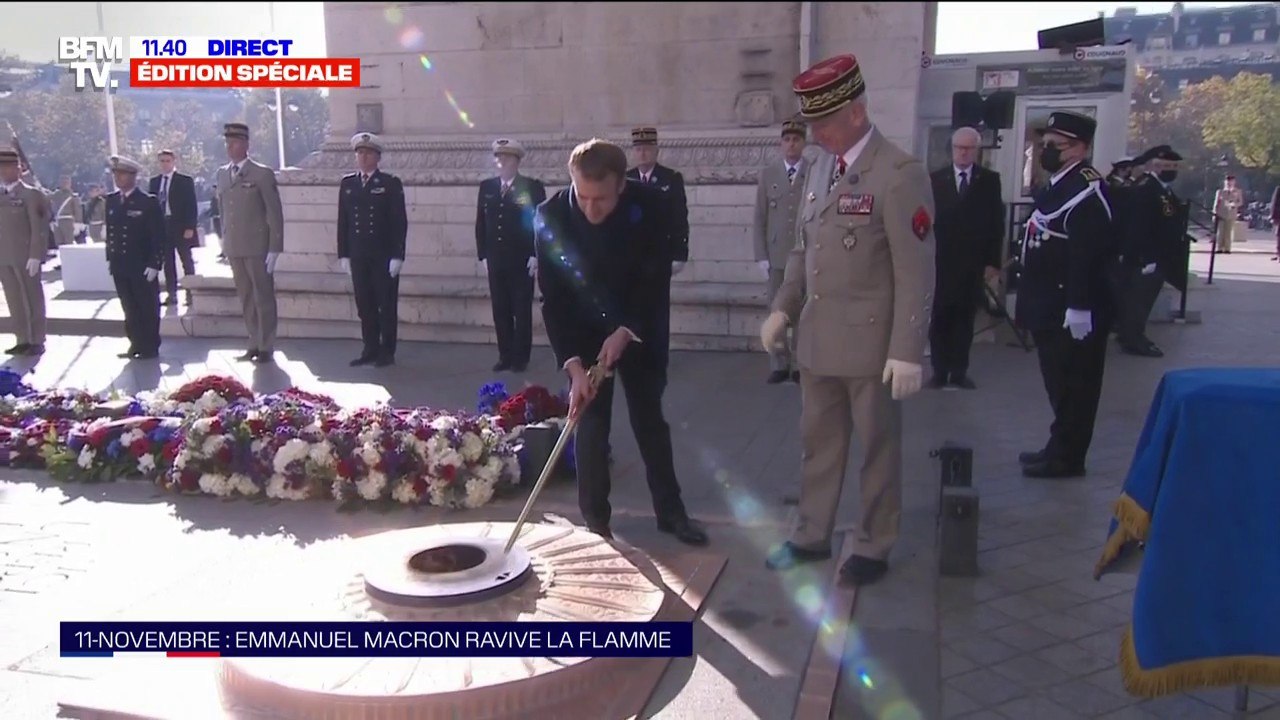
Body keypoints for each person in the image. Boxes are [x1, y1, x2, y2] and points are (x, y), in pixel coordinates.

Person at [759, 53, 935, 586]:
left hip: (871, 349)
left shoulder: (898, 174)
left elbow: (916, 271)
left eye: (825, 124)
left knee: (877, 450)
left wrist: (908, 350)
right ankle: (811, 534)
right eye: (812, 125)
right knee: (819, 445)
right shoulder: (820, 168)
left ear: (856, 112)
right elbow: (802, 249)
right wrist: (783, 307)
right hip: (818, 342)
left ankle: (874, 543)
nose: (816, 135)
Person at [535, 138, 708, 547]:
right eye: (583, 197)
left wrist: (626, 330)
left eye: (602, 199)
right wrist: (574, 366)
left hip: (639, 323)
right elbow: (553, 298)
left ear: (621, 186)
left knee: (649, 418)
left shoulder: (651, 207)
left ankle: (671, 512)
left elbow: (653, 281)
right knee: (590, 422)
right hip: (583, 329)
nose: (591, 209)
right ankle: (596, 523)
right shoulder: (550, 216)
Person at [1015, 111, 1117, 479]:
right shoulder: (1059, 184)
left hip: (1071, 308)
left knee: (1075, 386)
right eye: (1045, 144)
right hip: (1048, 304)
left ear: (1079, 149)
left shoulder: (1087, 190)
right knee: (1058, 383)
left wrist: (1078, 306)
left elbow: (1086, 254)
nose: (1046, 150)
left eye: (1054, 145)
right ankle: (1058, 445)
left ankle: (1068, 457)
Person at [926, 126, 1004, 390]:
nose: (963, 153)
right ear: (952, 149)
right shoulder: (936, 179)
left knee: (964, 318)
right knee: (940, 317)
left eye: (969, 148)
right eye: (959, 148)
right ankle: (939, 371)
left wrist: (992, 262)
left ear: (976, 151)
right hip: (941, 261)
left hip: (972, 262)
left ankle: (959, 371)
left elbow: (996, 222)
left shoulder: (989, 180)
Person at [215, 122, 284, 364]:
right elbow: (223, 210)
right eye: (227, 143)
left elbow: (274, 213)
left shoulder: (261, 174)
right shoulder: (222, 174)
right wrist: (224, 242)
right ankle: (253, 341)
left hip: (257, 246)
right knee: (245, 296)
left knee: (263, 295)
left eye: (234, 142)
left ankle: (266, 344)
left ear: (245, 144)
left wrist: (275, 247)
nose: (230, 147)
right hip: (235, 246)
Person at [475, 138, 546, 373]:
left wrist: (536, 254)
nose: (501, 162)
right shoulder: (487, 187)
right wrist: (483, 254)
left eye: (506, 157)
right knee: (500, 309)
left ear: (517, 161)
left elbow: (540, 223)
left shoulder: (531, 187)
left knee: (521, 310)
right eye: (499, 157)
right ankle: (504, 355)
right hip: (496, 259)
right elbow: (481, 222)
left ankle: (520, 358)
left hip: (521, 259)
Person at [337, 132, 408, 368]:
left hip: (382, 255)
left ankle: (387, 350)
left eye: (368, 153)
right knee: (364, 304)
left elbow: (399, 221)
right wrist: (344, 253)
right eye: (359, 153)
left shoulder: (389, 183)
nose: (363, 157)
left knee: (385, 304)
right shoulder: (348, 184)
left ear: (377, 157)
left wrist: (398, 255)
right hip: (358, 254)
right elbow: (343, 221)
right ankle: (370, 347)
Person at [626, 127, 689, 382]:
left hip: (660, 257)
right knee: (633, 308)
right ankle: (636, 355)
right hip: (632, 259)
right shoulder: (626, 179)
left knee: (658, 310)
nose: (643, 153)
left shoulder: (670, 179)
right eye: (639, 149)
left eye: (647, 149)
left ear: (656, 151)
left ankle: (658, 357)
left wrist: (680, 253)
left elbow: (679, 217)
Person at [752, 119, 809, 384]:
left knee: (802, 312)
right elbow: (760, 217)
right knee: (775, 310)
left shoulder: (812, 172)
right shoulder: (769, 174)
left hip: (803, 253)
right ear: (780, 144)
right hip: (776, 255)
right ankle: (779, 362)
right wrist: (760, 255)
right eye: (787, 140)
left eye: (796, 140)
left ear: (803, 143)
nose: (791, 144)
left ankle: (799, 364)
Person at [1116, 145, 1182, 358]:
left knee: (1143, 298)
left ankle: (1131, 335)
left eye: (1174, 166)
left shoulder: (1162, 189)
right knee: (1139, 299)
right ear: (1155, 166)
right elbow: (1138, 227)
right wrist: (1145, 257)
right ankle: (1133, 339)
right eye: (1166, 166)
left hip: (1160, 254)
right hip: (1146, 257)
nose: (1171, 170)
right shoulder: (1146, 189)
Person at [103, 156, 164, 360]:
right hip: (120, 263)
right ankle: (135, 342)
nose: (118, 178)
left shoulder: (147, 202)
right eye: (115, 174)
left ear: (133, 176)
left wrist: (155, 262)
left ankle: (150, 345)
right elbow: (112, 231)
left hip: (141, 264)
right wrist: (110, 258)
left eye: (122, 174)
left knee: (147, 305)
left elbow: (158, 235)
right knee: (129, 306)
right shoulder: (112, 200)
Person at [0, 148, 48, 356]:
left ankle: (37, 339)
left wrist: (36, 254)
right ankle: (22, 338)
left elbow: (38, 227)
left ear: (19, 169)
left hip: (26, 255)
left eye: (8, 167)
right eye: (1, 167)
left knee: (32, 297)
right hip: (4, 255)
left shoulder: (30, 194)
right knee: (13, 298)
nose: (3, 171)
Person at [148, 149, 199, 306]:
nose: (165, 164)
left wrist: (190, 226)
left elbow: (191, 205)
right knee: (168, 263)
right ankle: (172, 294)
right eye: (162, 161)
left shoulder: (184, 181)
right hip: (163, 226)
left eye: (167, 161)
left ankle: (191, 294)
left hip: (181, 226)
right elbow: (151, 206)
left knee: (186, 260)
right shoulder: (155, 182)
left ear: (174, 161)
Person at [49, 176, 81, 247]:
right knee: (59, 242)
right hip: (57, 221)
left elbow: (77, 210)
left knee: (68, 242)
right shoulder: (56, 195)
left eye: (66, 182)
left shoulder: (73, 196)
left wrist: (77, 223)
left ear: (70, 184)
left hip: (68, 221)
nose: (64, 184)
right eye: (63, 182)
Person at [1214, 175, 1243, 254]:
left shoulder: (1237, 191)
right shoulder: (1220, 192)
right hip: (1221, 214)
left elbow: (1240, 202)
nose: (1229, 183)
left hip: (1231, 214)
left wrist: (1234, 204)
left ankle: (1227, 248)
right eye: (1228, 182)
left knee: (1228, 232)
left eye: (1231, 181)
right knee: (1220, 232)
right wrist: (1215, 213)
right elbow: (1216, 203)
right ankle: (1219, 248)